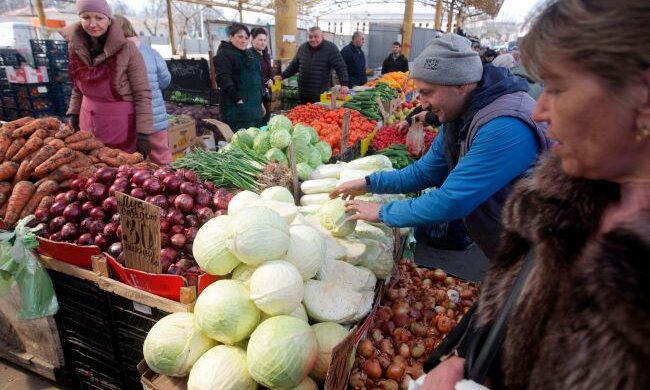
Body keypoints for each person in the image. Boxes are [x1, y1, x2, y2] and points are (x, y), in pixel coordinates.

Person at [421, 0, 650, 389]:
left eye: (557, 88)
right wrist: (466, 365)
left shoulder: (506, 128)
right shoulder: (562, 196)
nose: (539, 110)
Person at [330, 32, 549, 260]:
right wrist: (369, 183)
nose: (422, 104)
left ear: (461, 85)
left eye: (427, 92)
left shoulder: (505, 124)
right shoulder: (460, 114)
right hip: (509, 249)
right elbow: (426, 171)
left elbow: (452, 200)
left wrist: (382, 212)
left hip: (540, 256)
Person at [63, 0, 152, 153]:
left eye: (99, 17)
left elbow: (142, 93)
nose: (92, 24)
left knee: (119, 172)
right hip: (86, 125)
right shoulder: (75, 47)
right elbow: (77, 88)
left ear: (109, 19)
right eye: (86, 17)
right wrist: (73, 114)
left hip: (118, 126)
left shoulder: (127, 48)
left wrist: (144, 133)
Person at [115, 15, 172, 165]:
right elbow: (165, 79)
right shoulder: (150, 52)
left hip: (125, 119)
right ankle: (170, 184)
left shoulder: (112, 54)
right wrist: (152, 88)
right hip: (155, 117)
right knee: (161, 157)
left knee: (130, 161)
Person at [214, 23, 264, 131]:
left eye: (246, 38)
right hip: (237, 109)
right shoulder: (224, 54)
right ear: (231, 37)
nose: (244, 40)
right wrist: (238, 100)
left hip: (254, 108)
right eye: (240, 37)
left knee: (256, 140)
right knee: (240, 142)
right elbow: (223, 79)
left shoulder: (248, 54)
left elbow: (256, 80)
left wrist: (260, 103)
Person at [280, 27, 349, 104]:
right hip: (303, 93)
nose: (313, 39)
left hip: (320, 94)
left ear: (322, 36)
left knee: (319, 115)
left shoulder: (330, 48)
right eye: (310, 37)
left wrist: (344, 84)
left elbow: (341, 66)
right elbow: (293, 67)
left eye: (316, 36)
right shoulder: (303, 48)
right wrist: (281, 76)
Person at [249, 27, 273, 123]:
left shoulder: (266, 55)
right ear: (252, 40)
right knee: (257, 123)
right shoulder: (249, 56)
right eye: (260, 40)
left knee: (265, 120)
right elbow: (250, 80)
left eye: (264, 40)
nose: (263, 42)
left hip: (265, 94)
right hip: (255, 96)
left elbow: (269, 73)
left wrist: (272, 80)